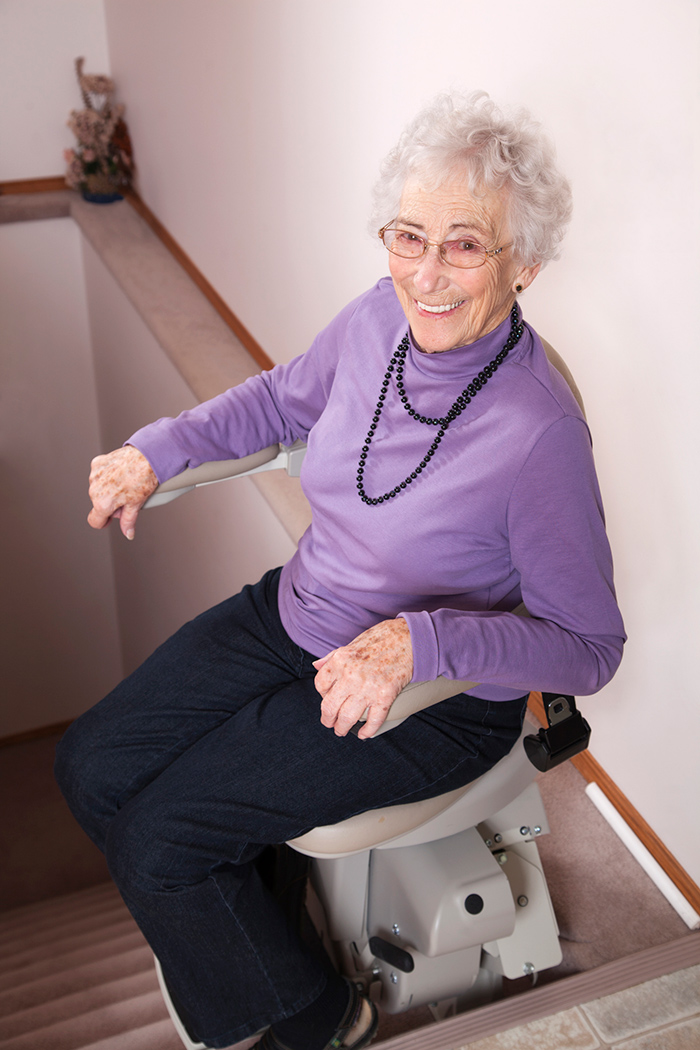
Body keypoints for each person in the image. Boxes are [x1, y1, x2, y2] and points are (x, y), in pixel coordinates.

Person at [56, 91, 625, 1050]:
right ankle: (266, 927)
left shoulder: (540, 433)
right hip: (299, 611)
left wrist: (419, 640)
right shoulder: (378, 317)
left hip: (434, 695)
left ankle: (324, 1019)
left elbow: (590, 647)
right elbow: (281, 402)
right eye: (408, 236)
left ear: (525, 263)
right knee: (92, 765)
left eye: (464, 244)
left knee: (162, 846)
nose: (427, 274)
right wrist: (160, 449)